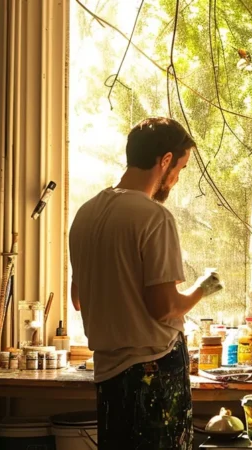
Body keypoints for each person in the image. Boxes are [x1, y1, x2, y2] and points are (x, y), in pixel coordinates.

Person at [69, 117, 223, 449]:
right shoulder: (154, 216)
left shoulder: (85, 214)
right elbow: (164, 308)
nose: (178, 178)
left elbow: (78, 299)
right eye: (180, 168)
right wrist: (202, 288)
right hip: (152, 370)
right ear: (165, 160)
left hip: (108, 372)